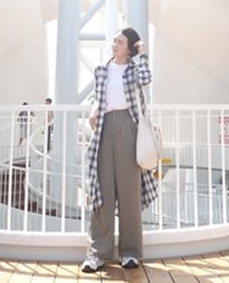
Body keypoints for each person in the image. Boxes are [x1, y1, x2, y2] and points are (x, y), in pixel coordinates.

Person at [81, 27, 157, 273]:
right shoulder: (102, 70)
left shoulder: (135, 70)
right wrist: (94, 110)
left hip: (128, 126)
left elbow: (146, 79)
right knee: (102, 190)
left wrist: (142, 54)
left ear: (130, 46)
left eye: (120, 41)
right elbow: (98, 95)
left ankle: (130, 252)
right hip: (104, 127)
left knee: (129, 191)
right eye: (114, 40)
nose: (114, 44)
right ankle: (97, 253)